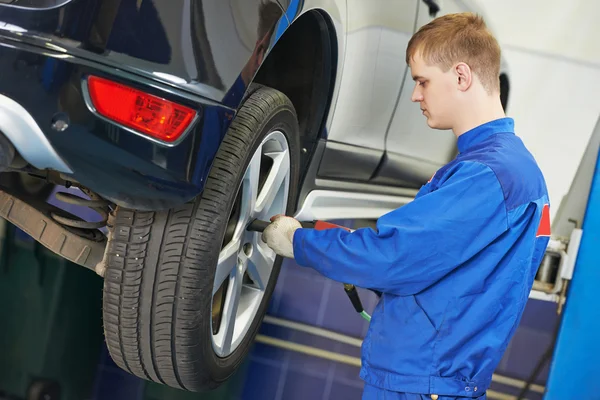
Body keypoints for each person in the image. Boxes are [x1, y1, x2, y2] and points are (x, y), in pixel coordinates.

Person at [261, 12, 551, 400]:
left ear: (462, 77)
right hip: (433, 380)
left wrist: (297, 242)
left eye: (423, 81)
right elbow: (436, 264)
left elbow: (394, 256)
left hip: (420, 384)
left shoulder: (487, 175)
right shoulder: (510, 170)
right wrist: (348, 244)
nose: (416, 95)